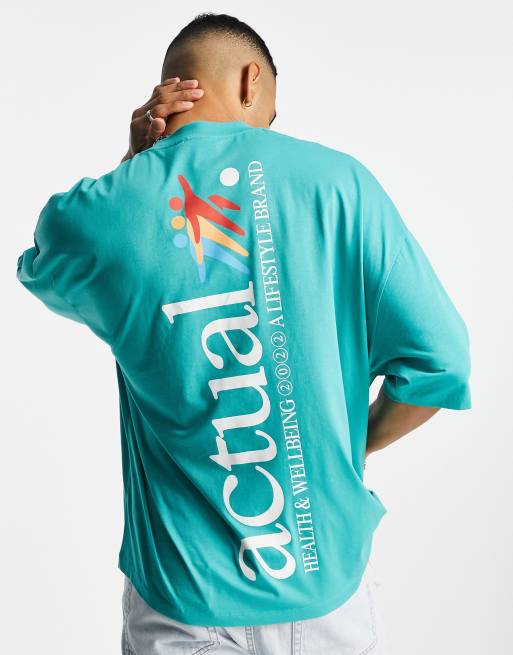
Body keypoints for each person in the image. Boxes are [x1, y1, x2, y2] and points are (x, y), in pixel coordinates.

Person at [16, 12, 471, 655]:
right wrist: (346, 451)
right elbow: (442, 364)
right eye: (271, 117)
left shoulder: (110, 208)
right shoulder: (340, 183)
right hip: (323, 588)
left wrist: (134, 166)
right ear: (252, 81)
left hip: (182, 599)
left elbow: (45, 266)